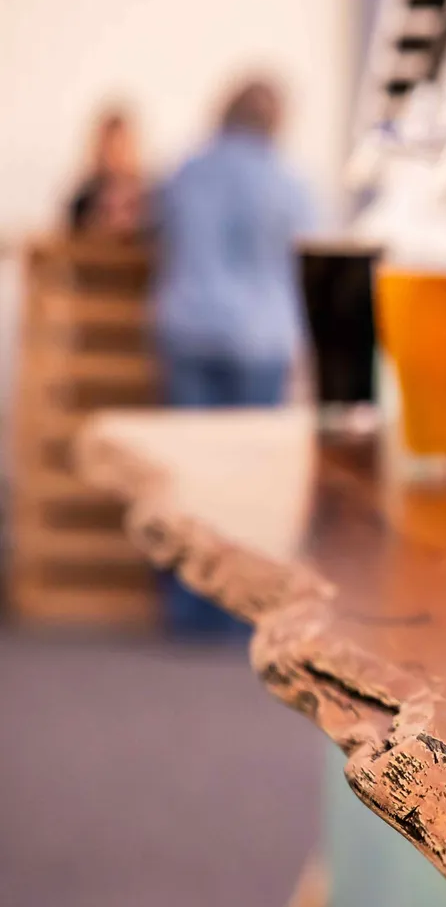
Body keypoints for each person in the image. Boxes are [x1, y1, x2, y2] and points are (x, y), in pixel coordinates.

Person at [151, 76, 314, 637]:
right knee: (248, 483)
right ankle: (240, 614)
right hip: (259, 339)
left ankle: (187, 608)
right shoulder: (289, 183)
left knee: (188, 479)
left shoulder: (186, 171)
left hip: (191, 328)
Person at [67, 106, 146, 234]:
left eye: (122, 146)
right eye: (111, 146)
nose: (117, 155)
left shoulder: (148, 198)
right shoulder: (84, 199)